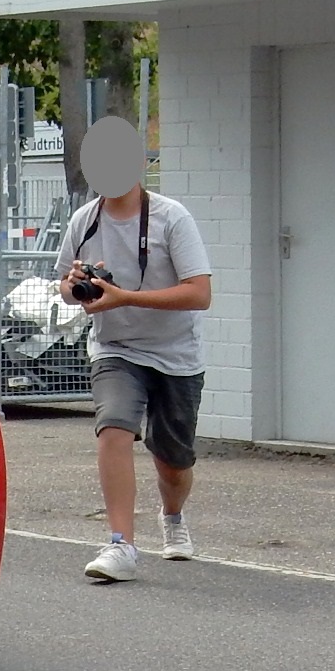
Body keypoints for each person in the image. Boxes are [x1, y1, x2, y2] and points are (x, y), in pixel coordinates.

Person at [57, 120, 212, 584]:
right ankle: (120, 543)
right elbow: (65, 284)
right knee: (115, 426)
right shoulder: (85, 220)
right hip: (114, 346)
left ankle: (173, 517)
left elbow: (199, 293)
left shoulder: (171, 217)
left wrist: (126, 297)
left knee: (174, 458)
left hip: (175, 353)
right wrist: (76, 287)